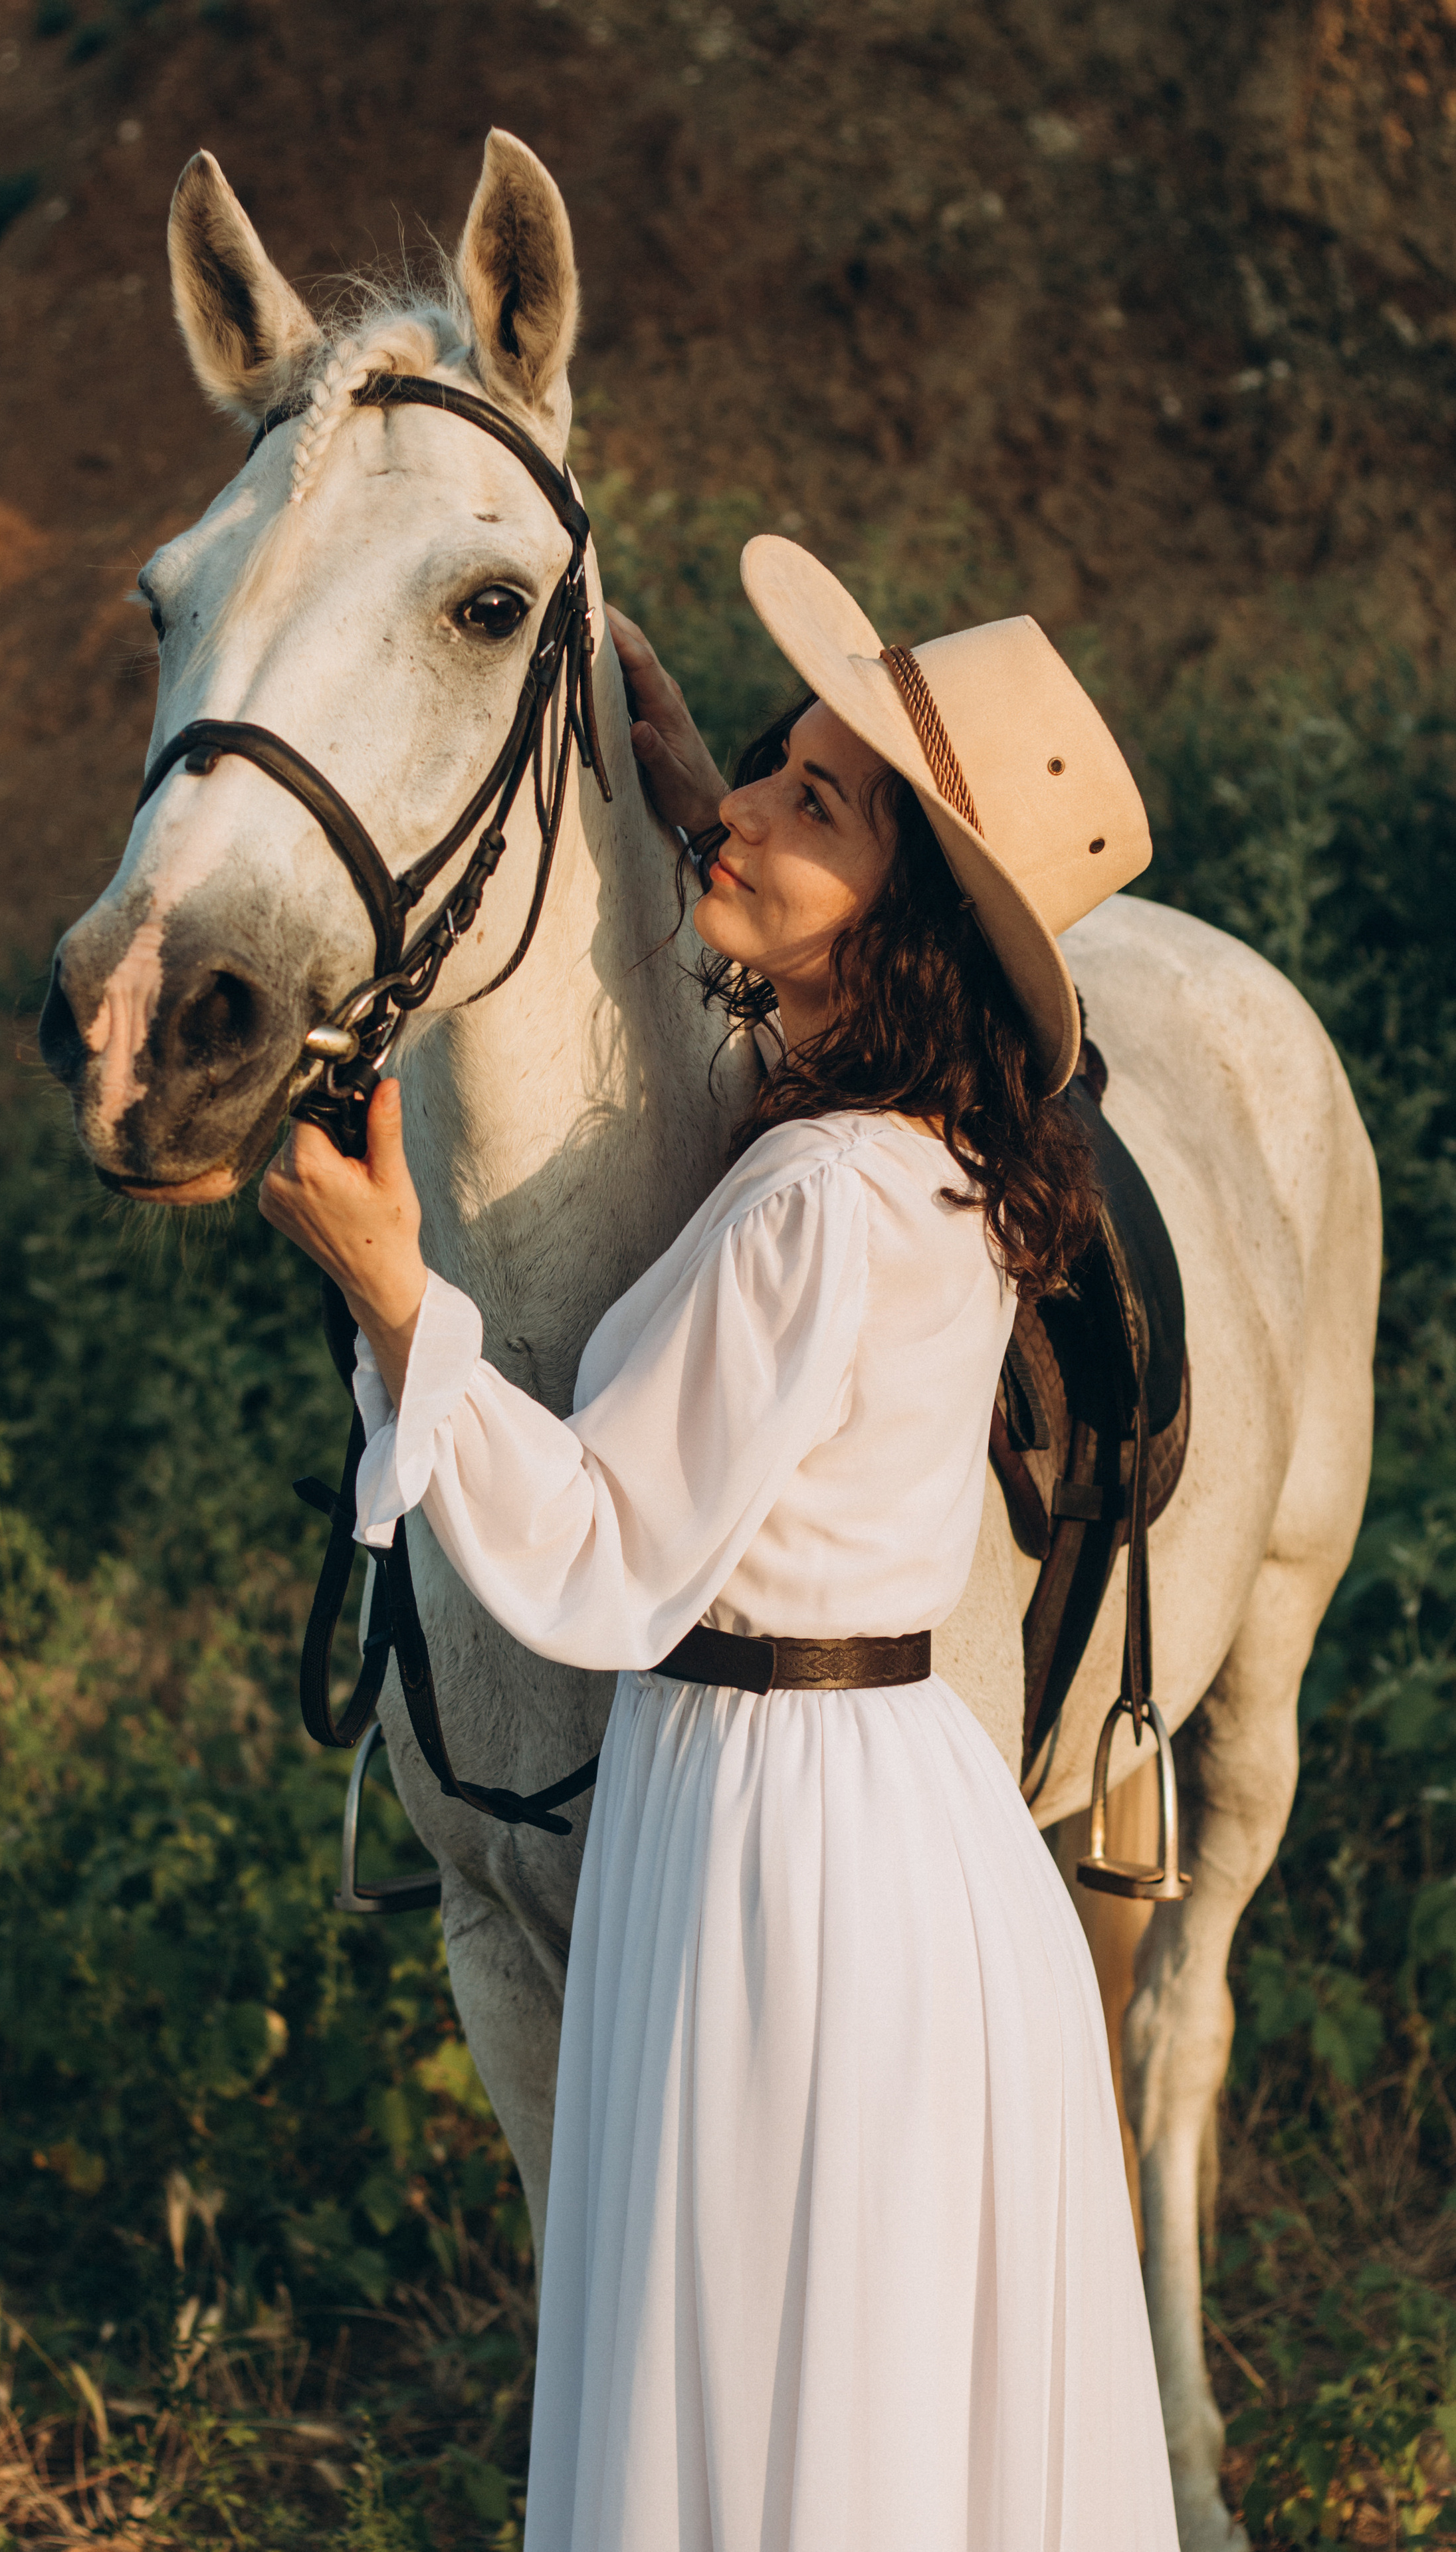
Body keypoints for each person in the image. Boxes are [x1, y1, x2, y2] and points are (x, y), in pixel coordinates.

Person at [259, 536, 1180, 2552]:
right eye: (767, 765)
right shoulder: (929, 1158)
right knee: (858, 2399)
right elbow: (783, 976)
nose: (748, 803)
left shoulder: (810, 1204)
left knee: (751, 2375)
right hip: (897, 1814)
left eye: (815, 801)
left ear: (905, 917)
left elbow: (602, 1556)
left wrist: (397, 1291)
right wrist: (704, 813)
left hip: (772, 1844)